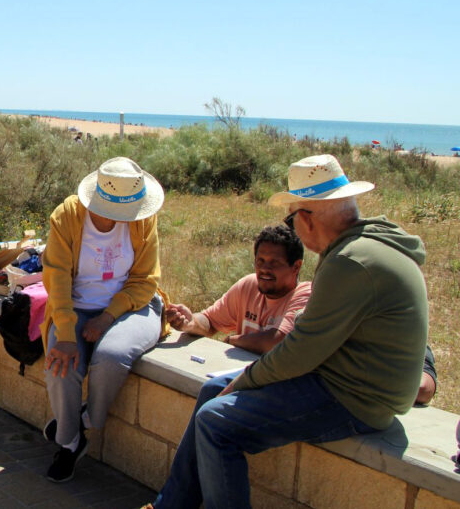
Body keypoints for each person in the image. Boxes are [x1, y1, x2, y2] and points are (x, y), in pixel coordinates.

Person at [152, 154, 428, 508]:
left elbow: (300, 349)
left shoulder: (349, 262)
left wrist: (247, 380)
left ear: (306, 218)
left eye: (291, 218)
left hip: (357, 398)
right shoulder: (364, 246)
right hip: (341, 378)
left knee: (216, 422)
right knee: (212, 390)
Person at [40, 157, 167, 483]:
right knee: (60, 365)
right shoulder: (67, 216)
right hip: (76, 306)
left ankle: (86, 420)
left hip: (132, 307)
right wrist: (65, 333)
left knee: (111, 356)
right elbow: (56, 278)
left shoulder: (143, 221)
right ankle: (69, 443)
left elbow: (145, 280)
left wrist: (108, 317)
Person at [166, 224, 310, 355]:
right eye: (260, 261)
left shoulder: (306, 295)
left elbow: (278, 342)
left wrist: (232, 340)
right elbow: (210, 321)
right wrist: (191, 322)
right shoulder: (248, 286)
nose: (265, 269)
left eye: (274, 263)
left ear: (296, 267)